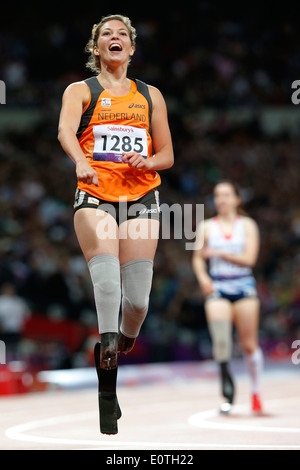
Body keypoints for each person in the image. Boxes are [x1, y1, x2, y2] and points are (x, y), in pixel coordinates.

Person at [58, 14, 174, 434]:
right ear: (96, 48)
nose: (114, 38)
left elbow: (167, 154)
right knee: (107, 286)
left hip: (142, 196)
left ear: (131, 47)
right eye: (106, 34)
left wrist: (149, 160)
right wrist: (82, 162)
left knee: (137, 301)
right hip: (95, 196)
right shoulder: (81, 91)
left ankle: (123, 337)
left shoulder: (150, 96)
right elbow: (64, 132)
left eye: (121, 33)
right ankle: (107, 388)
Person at [192, 180, 263, 413]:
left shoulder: (248, 226)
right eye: (217, 195)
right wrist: (203, 279)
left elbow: (249, 259)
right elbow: (197, 258)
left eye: (226, 195)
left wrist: (219, 252)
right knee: (221, 341)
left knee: (248, 345)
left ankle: (256, 390)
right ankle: (227, 387)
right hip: (219, 287)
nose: (221, 200)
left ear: (237, 199)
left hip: (243, 287)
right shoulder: (205, 227)